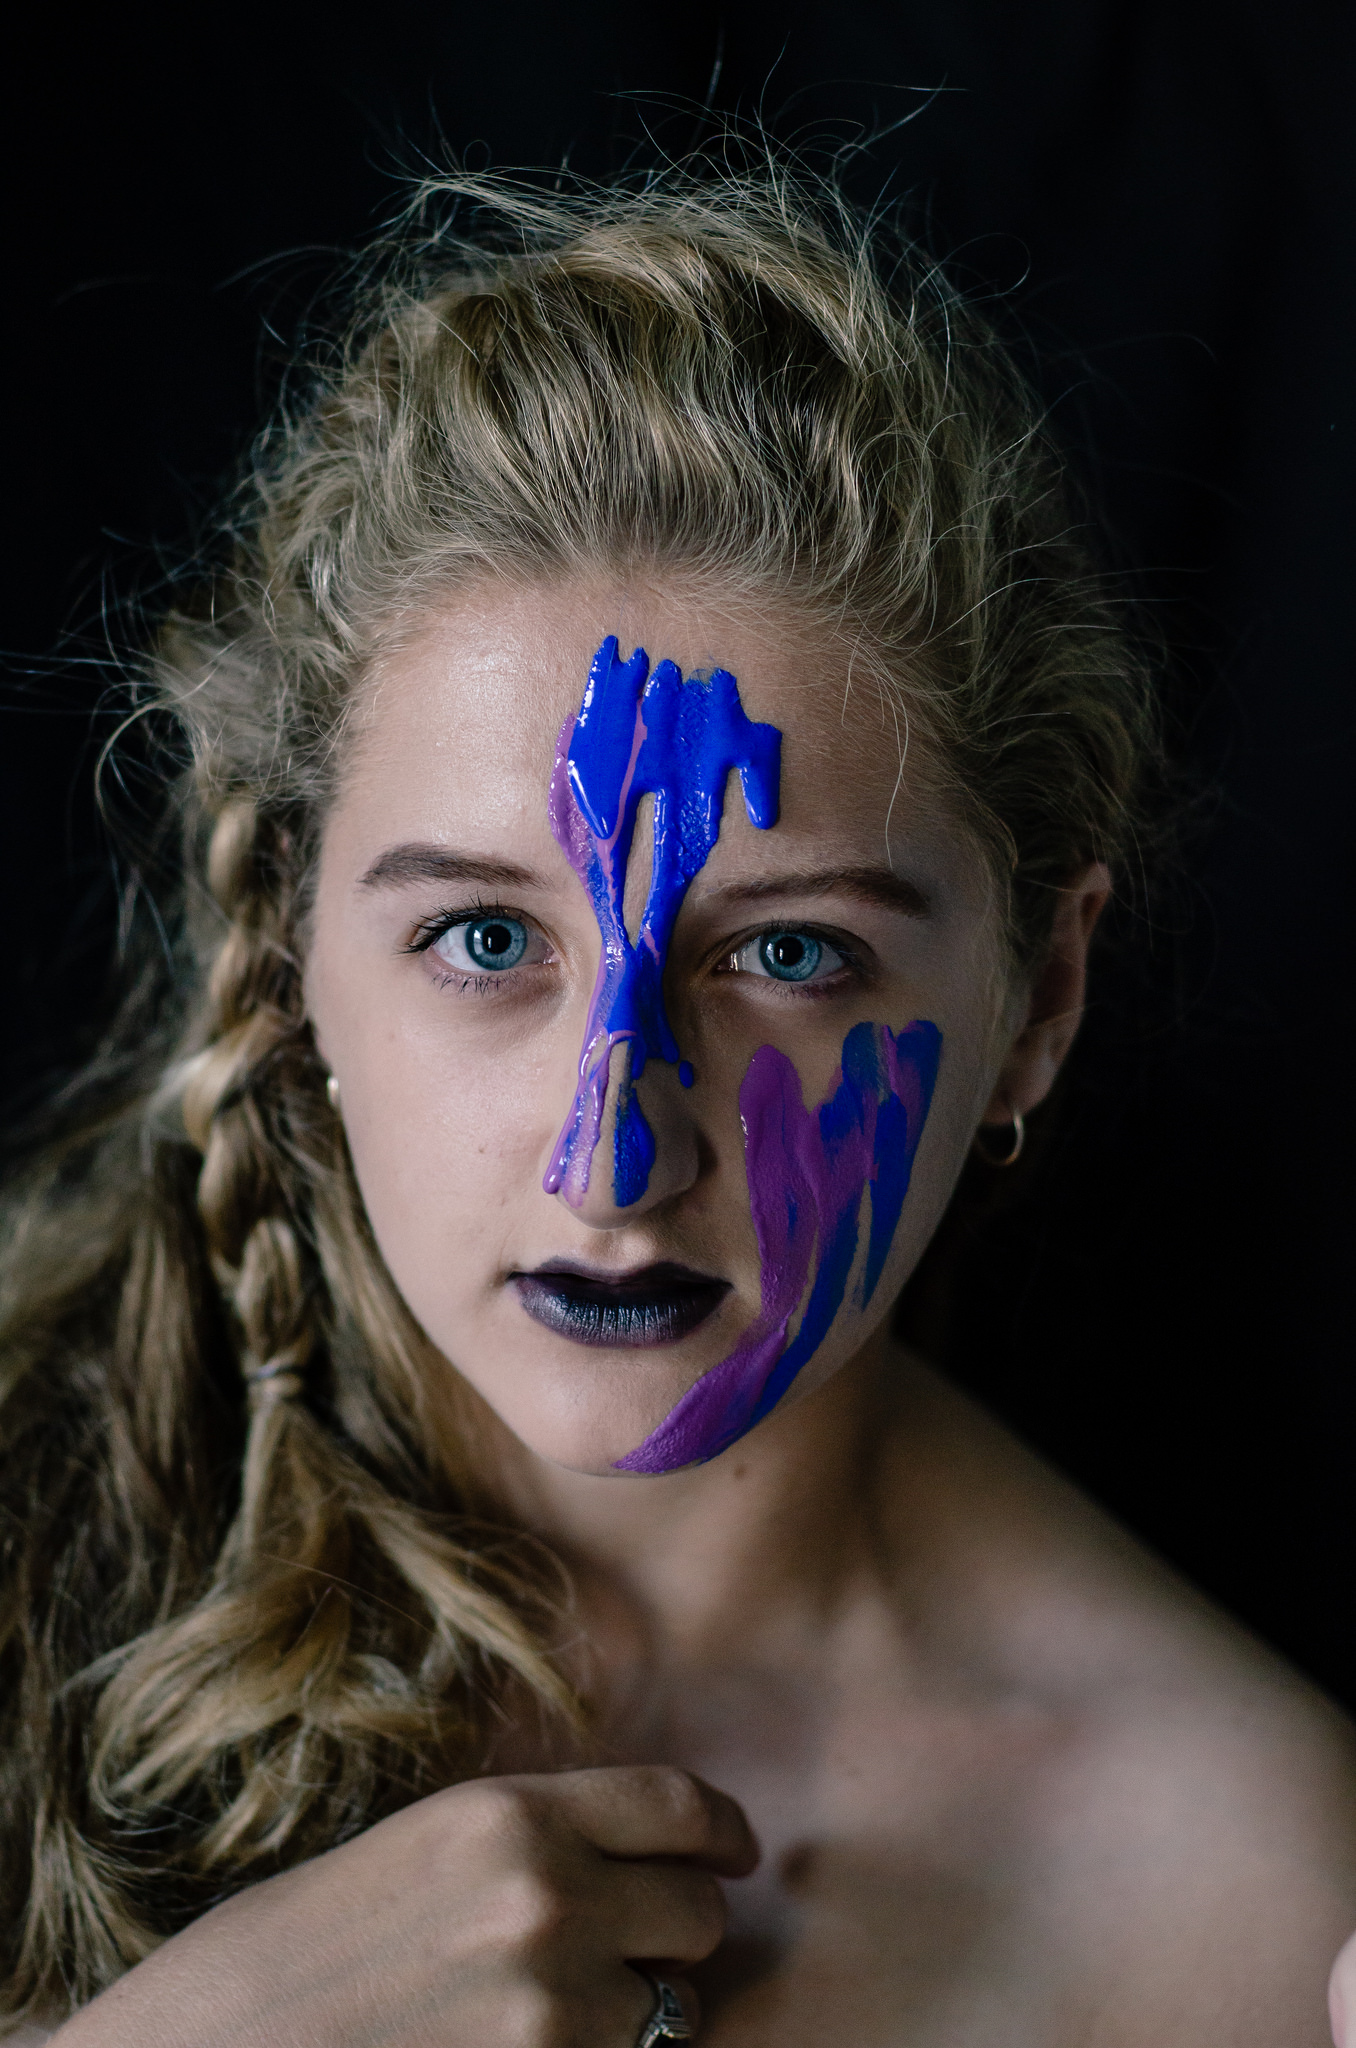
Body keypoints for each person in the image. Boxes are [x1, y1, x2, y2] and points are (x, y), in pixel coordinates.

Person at [2, 168, 1354, 2048]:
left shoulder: (1268, 1906)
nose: (615, 1156)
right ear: (295, 939)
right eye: (486, 939)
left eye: (790, 956)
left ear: (1039, 1003)